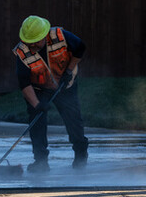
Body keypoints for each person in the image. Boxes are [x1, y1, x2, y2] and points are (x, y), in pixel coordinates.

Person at [12, 15, 89, 172]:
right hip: (39, 89)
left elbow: (80, 48)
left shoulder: (59, 36)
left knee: (73, 120)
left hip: (65, 85)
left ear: (44, 35)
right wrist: (37, 104)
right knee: (37, 122)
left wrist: (69, 70)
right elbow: (24, 83)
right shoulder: (22, 52)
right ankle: (40, 162)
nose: (32, 46)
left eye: (35, 42)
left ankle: (80, 155)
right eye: (29, 42)